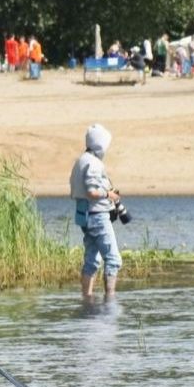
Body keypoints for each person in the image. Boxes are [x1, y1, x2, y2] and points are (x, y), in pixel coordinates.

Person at [69, 124, 122, 301]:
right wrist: (109, 194)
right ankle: (110, 300)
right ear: (100, 144)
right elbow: (92, 192)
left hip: (84, 217)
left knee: (91, 261)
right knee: (113, 260)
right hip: (98, 216)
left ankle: (87, 300)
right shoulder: (93, 163)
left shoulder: (80, 161)